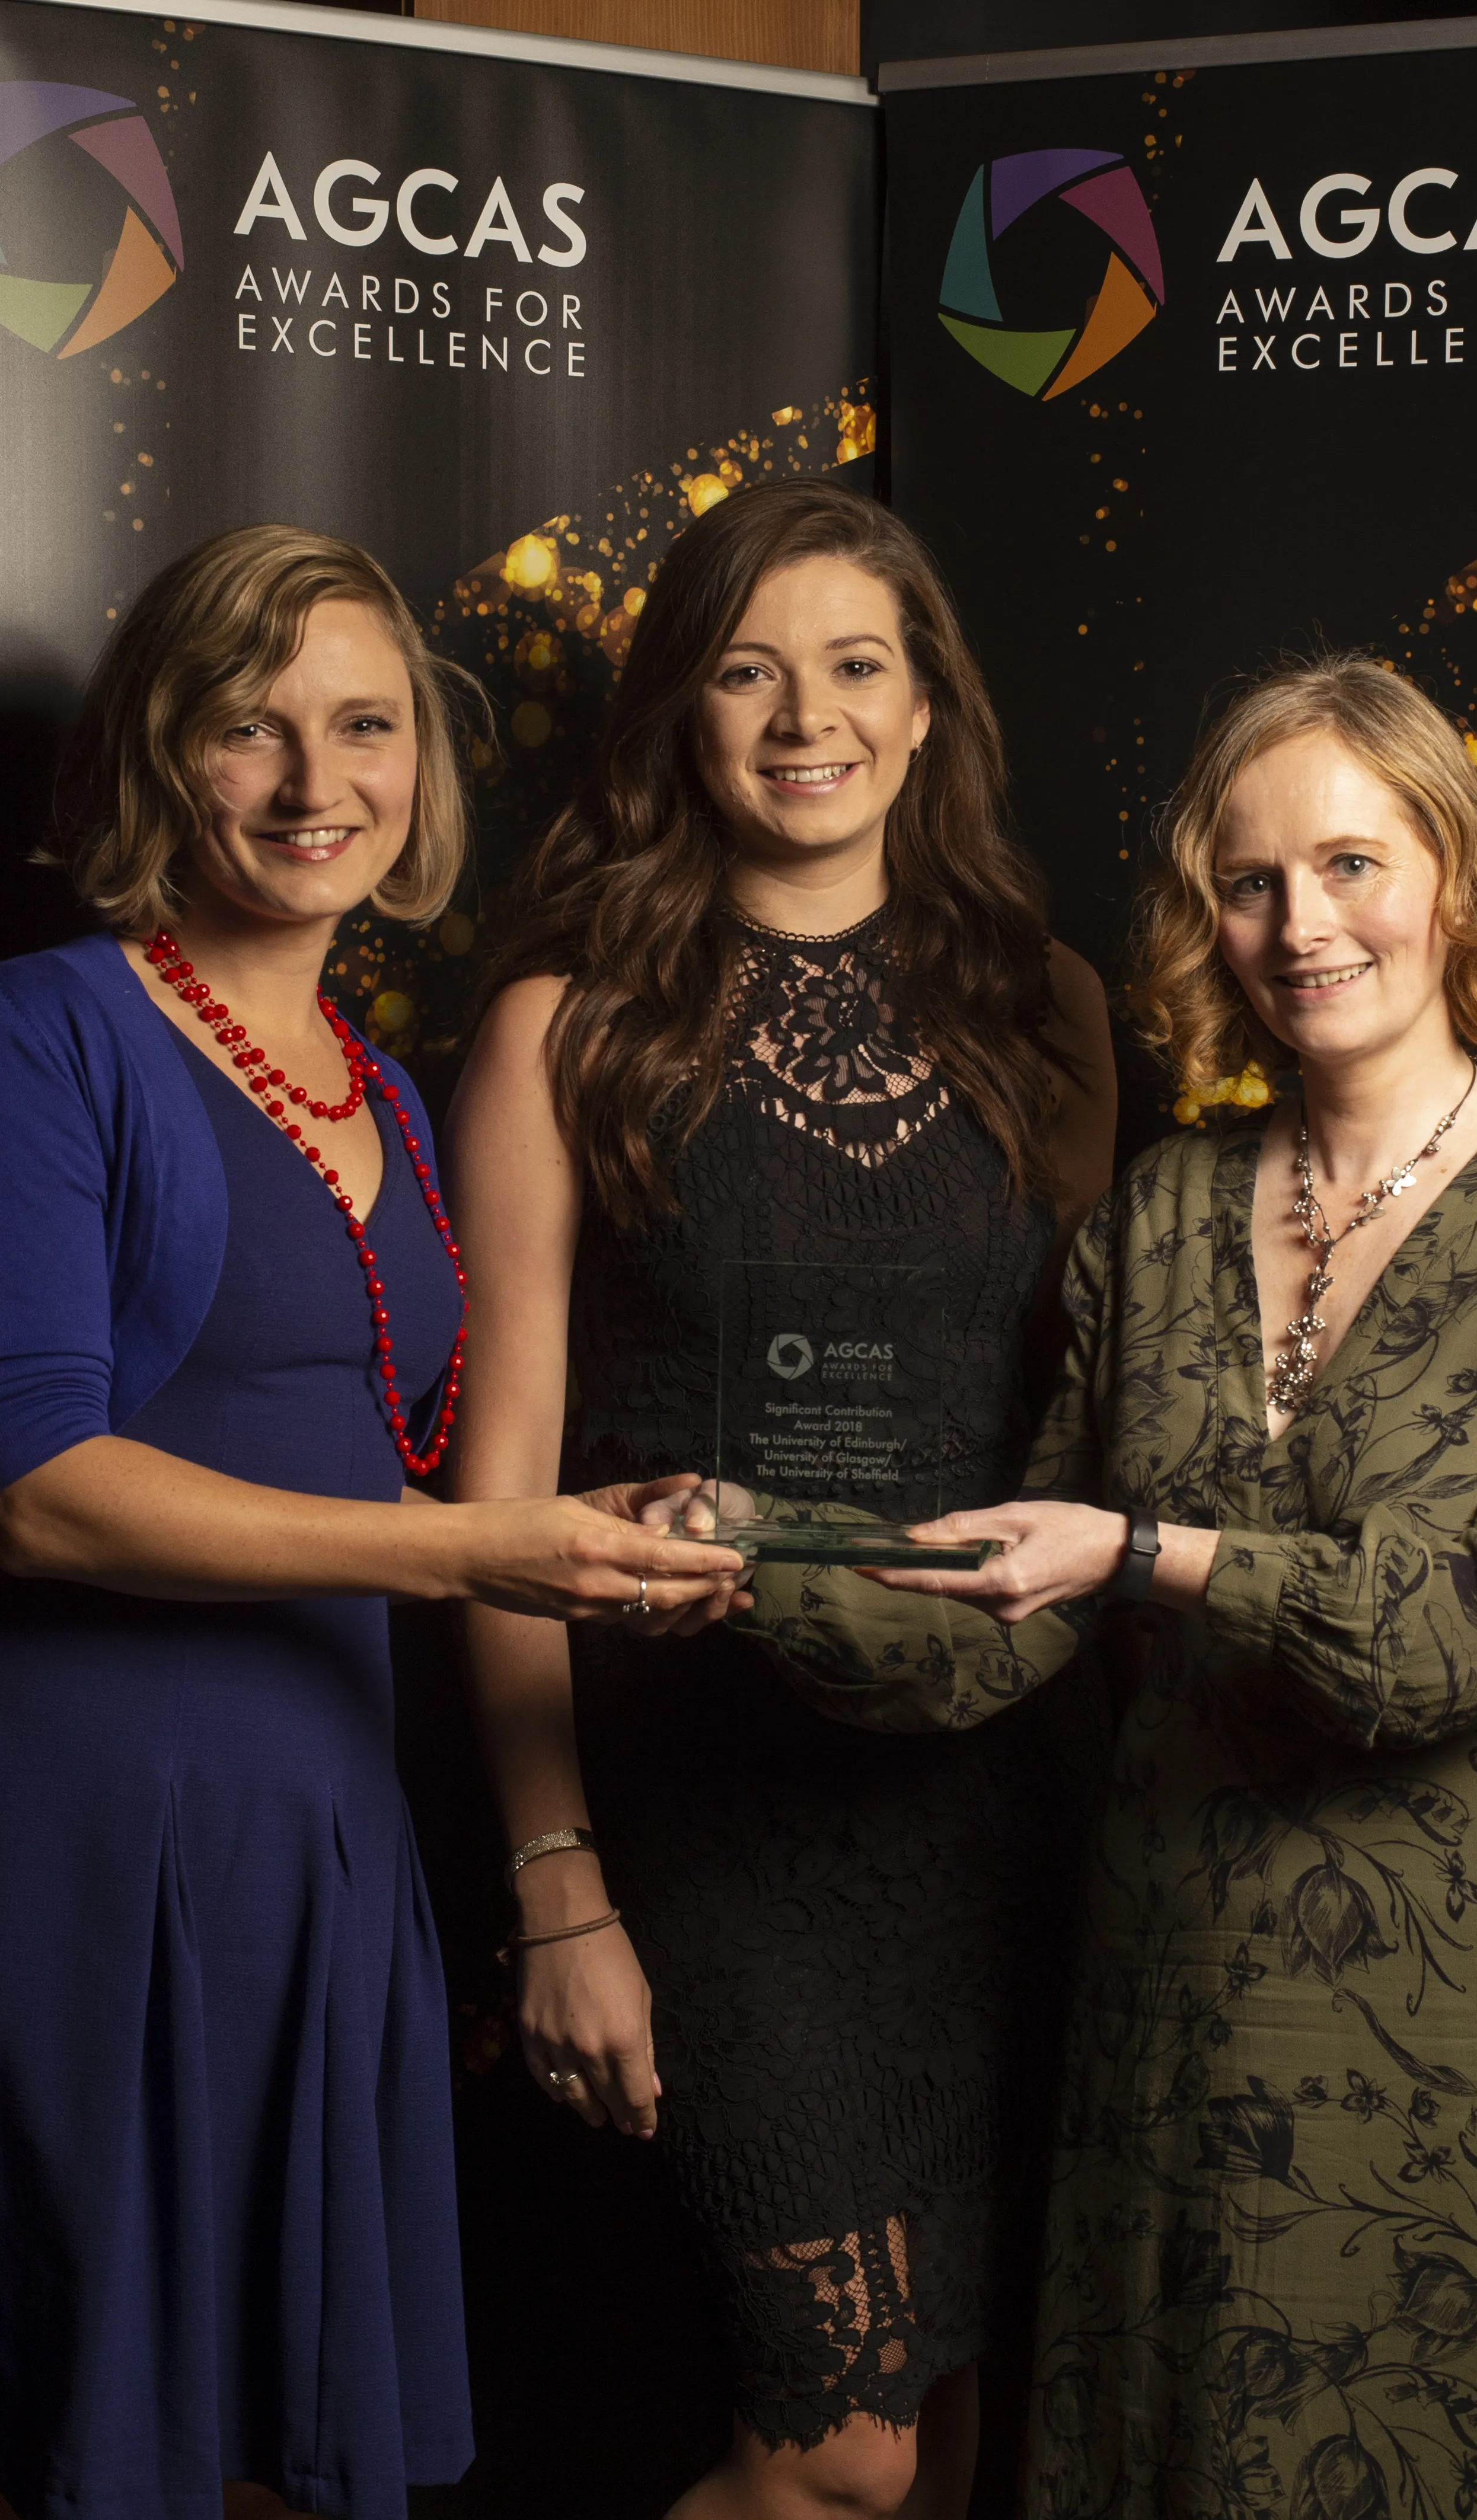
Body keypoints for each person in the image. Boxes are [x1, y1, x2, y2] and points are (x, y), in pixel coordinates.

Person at [741, 656, 1477, 2516]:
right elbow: (1009, 1611)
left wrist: (1145, 1552)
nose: (1305, 926)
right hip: (1200, 2009)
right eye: (1253, 883)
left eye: (1355, 864)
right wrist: (741, 1559)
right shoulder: (1162, 1216)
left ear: (1457, 873)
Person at [0, 525, 744, 2520]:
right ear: (165, 753)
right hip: (85, 1835)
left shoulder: (391, 1099)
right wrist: (472, 1550)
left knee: (276, 2464)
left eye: (365, 725)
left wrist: (587, 1523)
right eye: (252, 727)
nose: (316, 783)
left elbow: (381, 1453)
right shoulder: (46, 1031)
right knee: (83, 2453)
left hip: (321, 1840)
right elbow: (39, 1496)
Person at [444, 477, 1116, 2518]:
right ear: (678, 714)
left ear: (928, 713)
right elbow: (496, 1498)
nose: (803, 715)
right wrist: (557, 1886)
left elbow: (1092, 1430)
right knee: (840, 2461)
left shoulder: (1049, 1012)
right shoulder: (566, 1029)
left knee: (966, 2432)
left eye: (854, 666)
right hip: (713, 1810)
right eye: (747, 669)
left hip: (994, 1795)